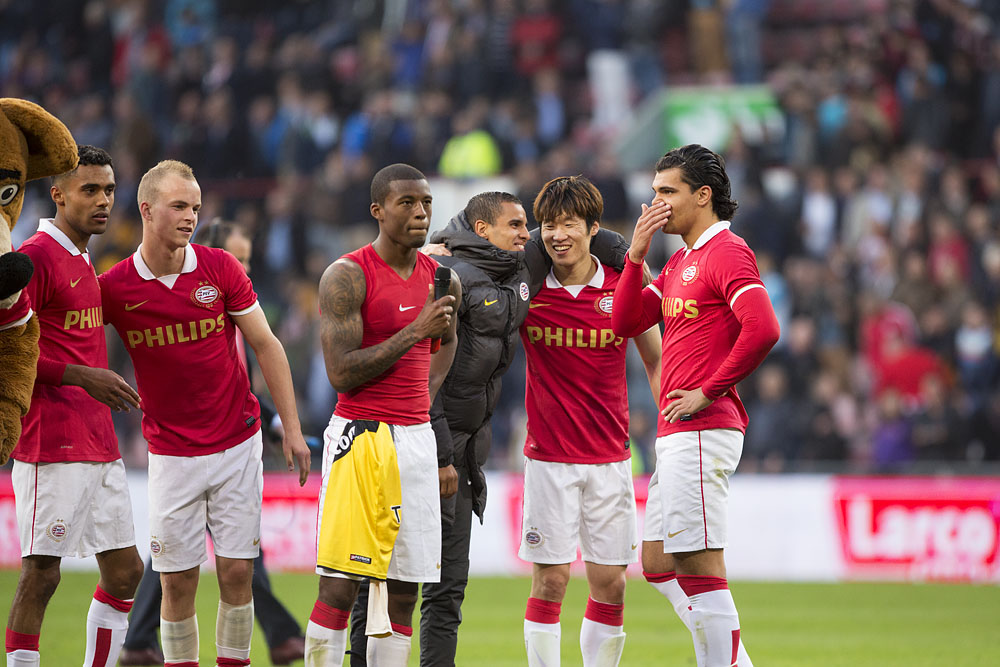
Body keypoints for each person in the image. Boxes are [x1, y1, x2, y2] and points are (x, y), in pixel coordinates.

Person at [348, 191, 632, 667]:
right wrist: (439, 452)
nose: (533, 236)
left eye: (530, 227)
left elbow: (581, 235)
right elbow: (425, 377)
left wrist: (626, 252)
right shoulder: (449, 277)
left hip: (466, 455)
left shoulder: (521, 274)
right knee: (386, 583)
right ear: (483, 232)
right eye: (520, 226)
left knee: (447, 589)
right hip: (418, 445)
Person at [99, 160, 311, 667]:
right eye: (178, 206)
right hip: (171, 453)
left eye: (195, 207)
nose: (190, 216)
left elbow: (267, 344)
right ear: (146, 210)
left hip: (238, 444)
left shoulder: (219, 268)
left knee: (238, 573)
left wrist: (294, 430)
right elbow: (75, 341)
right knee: (177, 581)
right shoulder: (116, 287)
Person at [611, 144, 780, 667]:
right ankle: (736, 660)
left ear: (702, 195)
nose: (655, 203)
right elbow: (625, 323)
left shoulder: (727, 251)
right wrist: (635, 257)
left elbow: (765, 328)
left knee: (699, 564)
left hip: (705, 428)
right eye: (654, 191)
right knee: (659, 561)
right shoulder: (683, 258)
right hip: (677, 433)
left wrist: (710, 389)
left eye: (668, 192)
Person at [306, 163, 460, 667]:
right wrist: (414, 333)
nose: (420, 213)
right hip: (361, 436)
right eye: (407, 203)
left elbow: (449, 341)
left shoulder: (442, 278)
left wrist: (424, 391)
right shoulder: (346, 276)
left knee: (403, 590)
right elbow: (340, 372)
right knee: (340, 586)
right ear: (378, 210)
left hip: (416, 439)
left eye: (426, 203)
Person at [4, 145, 145, 667]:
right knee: (42, 573)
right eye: (90, 190)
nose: (104, 200)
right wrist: (81, 375)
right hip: (51, 440)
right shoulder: (35, 258)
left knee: (127, 569)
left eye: (109, 189)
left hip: (97, 440)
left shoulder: (84, 258)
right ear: (58, 194)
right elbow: (8, 350)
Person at [518, 176, 661, 667]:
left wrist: (673, 425)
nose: (558, 235)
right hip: (548, 458)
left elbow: (656, 360)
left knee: (611, 584)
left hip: (609, 459)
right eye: (549, 226)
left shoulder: (625, 287)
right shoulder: (526, 290)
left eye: (569, 225)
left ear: (593, 228)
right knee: (551, 579)